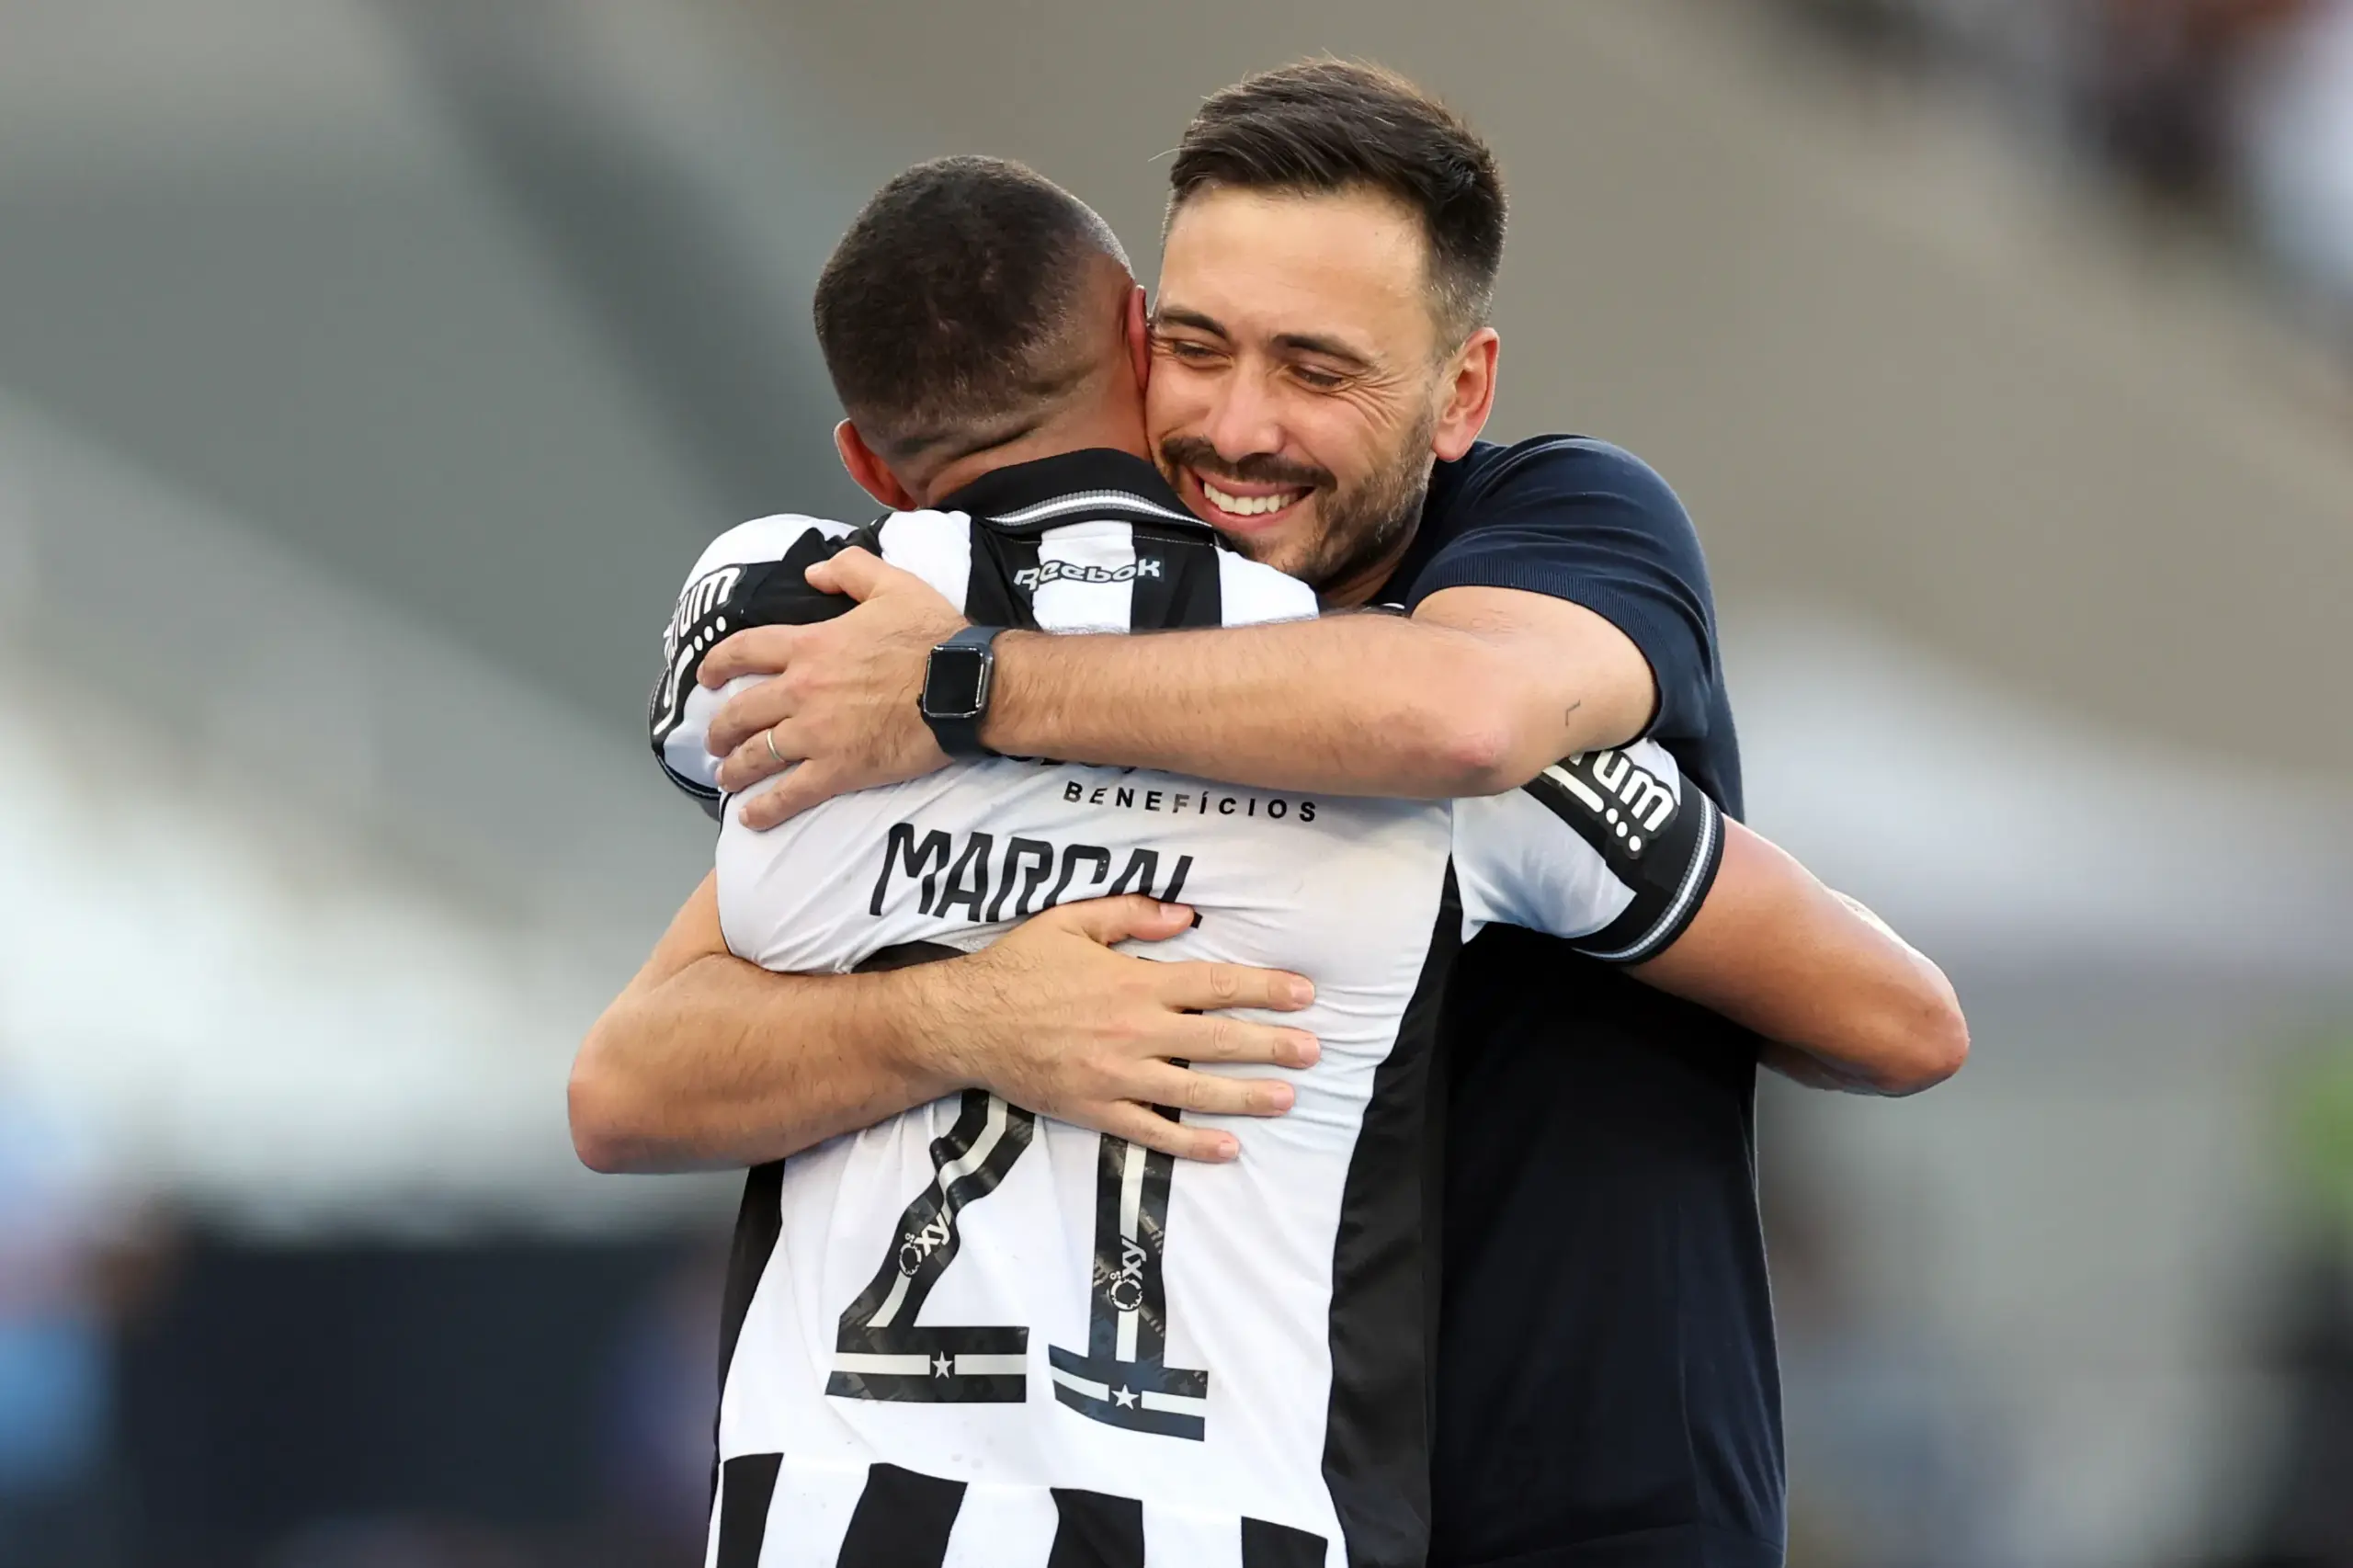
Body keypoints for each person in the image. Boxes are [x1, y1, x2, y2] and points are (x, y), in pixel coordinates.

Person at [577, 63, 1967, 1568]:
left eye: (1319, 369)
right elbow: (626, 1081)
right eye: (1200, 348)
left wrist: (971, 688)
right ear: (1130, 343)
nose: (1241, 426)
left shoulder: (1558, 530)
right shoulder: (920, 646)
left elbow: (1463, 720)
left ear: (1464, 392)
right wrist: (968, 1014)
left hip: (1578, 1505)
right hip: (1240, 1500)